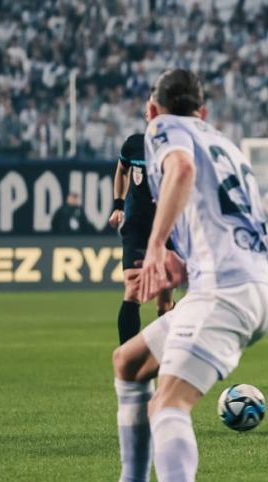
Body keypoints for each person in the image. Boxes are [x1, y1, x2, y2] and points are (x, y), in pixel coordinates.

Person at [67, 69, 268, 482]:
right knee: (130, 362)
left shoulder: (162, 130)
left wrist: (158, 245)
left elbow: (180, 172)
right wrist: (181, 270)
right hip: (254, 283)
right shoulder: (224, 143)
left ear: (152, 110)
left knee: (170, 401)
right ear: (203, 112)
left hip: (226, 291)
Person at [109, 110, 174, 346]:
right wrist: (118, 205)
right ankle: (127, 368)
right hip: (136, 227)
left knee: (164, 304)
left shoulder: (179, 149)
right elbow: (121, 170)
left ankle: (168, 364)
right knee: (133, 289)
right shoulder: (134, 145)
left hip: (168, 230)